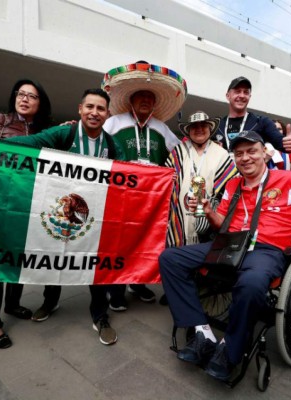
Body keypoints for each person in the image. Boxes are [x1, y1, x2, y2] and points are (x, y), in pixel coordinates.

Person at [159, 130, 291, 382]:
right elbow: (223, 226)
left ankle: (231, 349)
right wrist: (208, 211)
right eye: (239, 153)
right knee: (170, 258)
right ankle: (201, 332)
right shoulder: (233, 185)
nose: (245, 158)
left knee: (251, 283)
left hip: (268, 250)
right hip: (230, 245)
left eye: (251, 151)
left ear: (264, 152)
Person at [7, 88, 118, 346]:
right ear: (80, 109)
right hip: (59, 210)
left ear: (107, 114)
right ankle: (50, 301)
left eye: (100, 109)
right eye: (89, 107)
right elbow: (31, 144)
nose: (94, 112)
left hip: (94, 218)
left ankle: (101, 316)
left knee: (96, 265)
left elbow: (128, 174)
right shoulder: (65, 133)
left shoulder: (112, 144)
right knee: (55, 256)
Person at [101, 61, 187, 311]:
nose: (146, 101)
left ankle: (138, 283)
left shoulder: (161, 128)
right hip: (120, 196)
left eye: (150, 98)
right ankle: (116, 290)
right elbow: (97, 145)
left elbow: (180, 153)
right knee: (120, 243)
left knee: (146, 242)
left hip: (151, 199)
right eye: (141, 97)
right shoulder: (114, 123)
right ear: (131, 100)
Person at [0, 78, 52, 349]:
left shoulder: (45, 131)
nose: (25, 99)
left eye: (32, 96)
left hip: (29, 204)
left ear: (40, 102)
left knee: (20, 258)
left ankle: (12, 305)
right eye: (21, 94)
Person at [166, 111, 237, 247]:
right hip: (178, 213)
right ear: (188, 130)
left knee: (202, 257)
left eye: (203, 125)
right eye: (194, 126)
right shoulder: (178, 151)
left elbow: (229, 189)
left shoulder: (221, 154)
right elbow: (164, 181)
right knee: (175, 254)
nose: (199, 129)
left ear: (210, 128)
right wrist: (168, 178)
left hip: (208, 217)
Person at [213, 76, 291, 153]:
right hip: (225, 168)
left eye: (246, 92)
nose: (242, 95)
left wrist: (290, 144)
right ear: (228, 96)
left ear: (249, 96)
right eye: (237, 91)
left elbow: (281, 143)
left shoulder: (262, 122)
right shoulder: (218, 125)